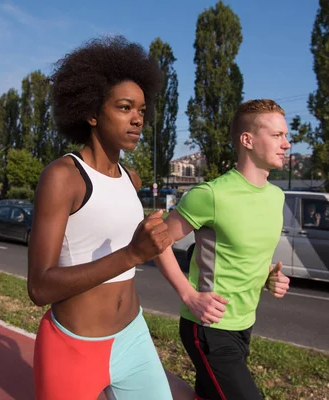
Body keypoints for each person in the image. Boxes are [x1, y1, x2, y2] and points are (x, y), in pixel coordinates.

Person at [28, 36, 174, 400]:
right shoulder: (63, 177)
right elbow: (39, 288)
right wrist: (132, 254)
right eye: (125, 107)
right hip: (73, 347)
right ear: (92, 112)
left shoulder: (133, 178)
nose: (138, 118)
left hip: (133, 338)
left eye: (141, 109)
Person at [154, 99, 292, 400]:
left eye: (286, 135)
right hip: (208, 327)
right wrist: (188, 295)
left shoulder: (276, 197)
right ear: (248, 140)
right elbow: (157, 242)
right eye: (277, 135)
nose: (287, 144)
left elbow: (247, 256)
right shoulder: (211, 195)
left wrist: (270, 277)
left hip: (245, 324)